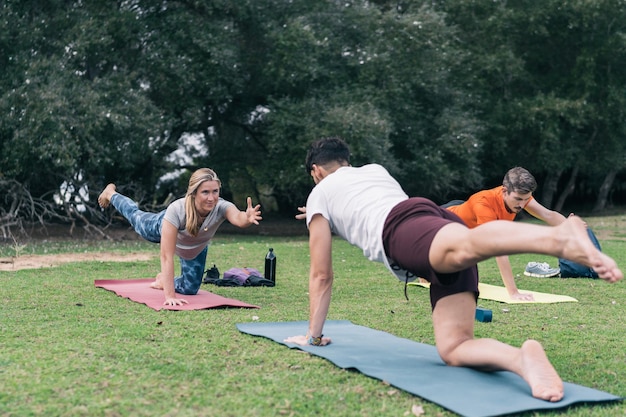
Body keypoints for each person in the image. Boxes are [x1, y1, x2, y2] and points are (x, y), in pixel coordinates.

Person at [285, 137, 622, 403]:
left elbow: (321, 274)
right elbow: (367, 205)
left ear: (315, 170)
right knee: (454, 347)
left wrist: (313, 336)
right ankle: (523, 360)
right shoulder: (373, 170)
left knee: (467, 244)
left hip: (403, 229)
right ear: (346, 160)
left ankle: (560, 239)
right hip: (428, 219)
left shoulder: (320, 192)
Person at [98, 168, 262, 306]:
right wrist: (170, 296)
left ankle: (162, 280)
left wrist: (247, 218)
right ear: (194, 193)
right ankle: (111, 193)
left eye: (215, 191)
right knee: (135, 216)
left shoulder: (222, 206)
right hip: (160, 226)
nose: (211, 198)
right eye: (205, 192)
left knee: (191, 289)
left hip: (193, 248)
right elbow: (166, 256)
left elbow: (238, 218)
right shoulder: (177, 209)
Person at [445, 167, 568, 300]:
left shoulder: (520, 196)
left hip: (464, 217)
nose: (522, 205)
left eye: (526, 199)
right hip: (445, 220)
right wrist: (513, 292)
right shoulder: (484, 204)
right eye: (518, 199)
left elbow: (547, 214)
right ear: (504, 191)